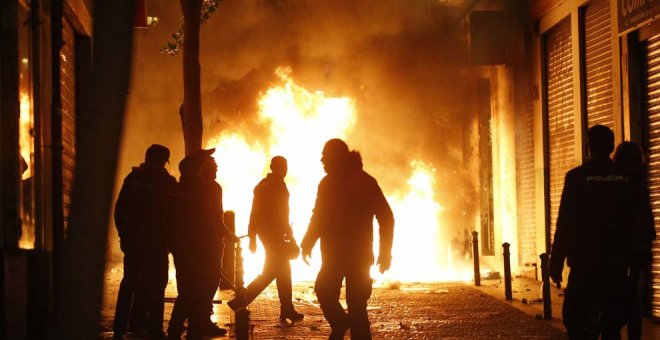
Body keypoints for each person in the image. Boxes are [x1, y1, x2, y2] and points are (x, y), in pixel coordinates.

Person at [301, 139, 394, 339]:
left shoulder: (363, 182)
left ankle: (342, 324)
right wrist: (308, 241)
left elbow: (386, 217)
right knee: (328, 294)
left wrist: (385, 252)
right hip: (340, 255)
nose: (321, 160)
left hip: (353, 256)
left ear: (338, 157)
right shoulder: (331, 183)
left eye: (326, 155)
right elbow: (319, 216)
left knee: (356, 305)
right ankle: (341, 322)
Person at [549, 125, 634, 339]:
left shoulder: (577, 177)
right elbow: (635, 219)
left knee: (576, 321)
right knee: (612, 324)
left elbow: (565, 221)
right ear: (611, 147)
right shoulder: (625, 179)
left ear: (589, 147)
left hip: (584, 262)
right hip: (615, 262)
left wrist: (556, 259)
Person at [167, 148, 237, 340]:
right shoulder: (191, 190)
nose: (216, 165)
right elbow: (202, 220)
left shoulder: (209, 188)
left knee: (204, 285)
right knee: (192, 288)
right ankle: (181, 327)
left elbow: (216, 218)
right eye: (211, 162)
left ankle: (199, 323)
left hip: (205, 246)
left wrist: (225, 235)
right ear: (199, 168)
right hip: (195, 249)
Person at [227, 156, 304, 322]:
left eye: (285, 166)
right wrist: (253, 235)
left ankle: (286, 308)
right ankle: (242, 299)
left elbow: (282, 213)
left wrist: (286, 232)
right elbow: (256, 211)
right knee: (275, 271)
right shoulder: (267, 186)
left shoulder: (273, 184)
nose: (284, 170)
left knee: (280, 271)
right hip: (270, 234)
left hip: (273, 233)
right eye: (281, 166)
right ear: (272, 167)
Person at [113, 144, 177, 340]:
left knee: (129, 284)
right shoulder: (168, 183)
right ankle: (155, 329)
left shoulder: (133, 179)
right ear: (164, 161)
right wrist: (169, 242)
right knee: (157, 286)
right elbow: (174, 217)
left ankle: (119, 328)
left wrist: (125, 237)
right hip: (157, 245)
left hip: (135, 244)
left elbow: (120, 211)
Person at [613, 141, 656, 340]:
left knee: (627, 306)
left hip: (628, 256)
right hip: (627, 255)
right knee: (631, 306)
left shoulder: (629, 187)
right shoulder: (633, 188)